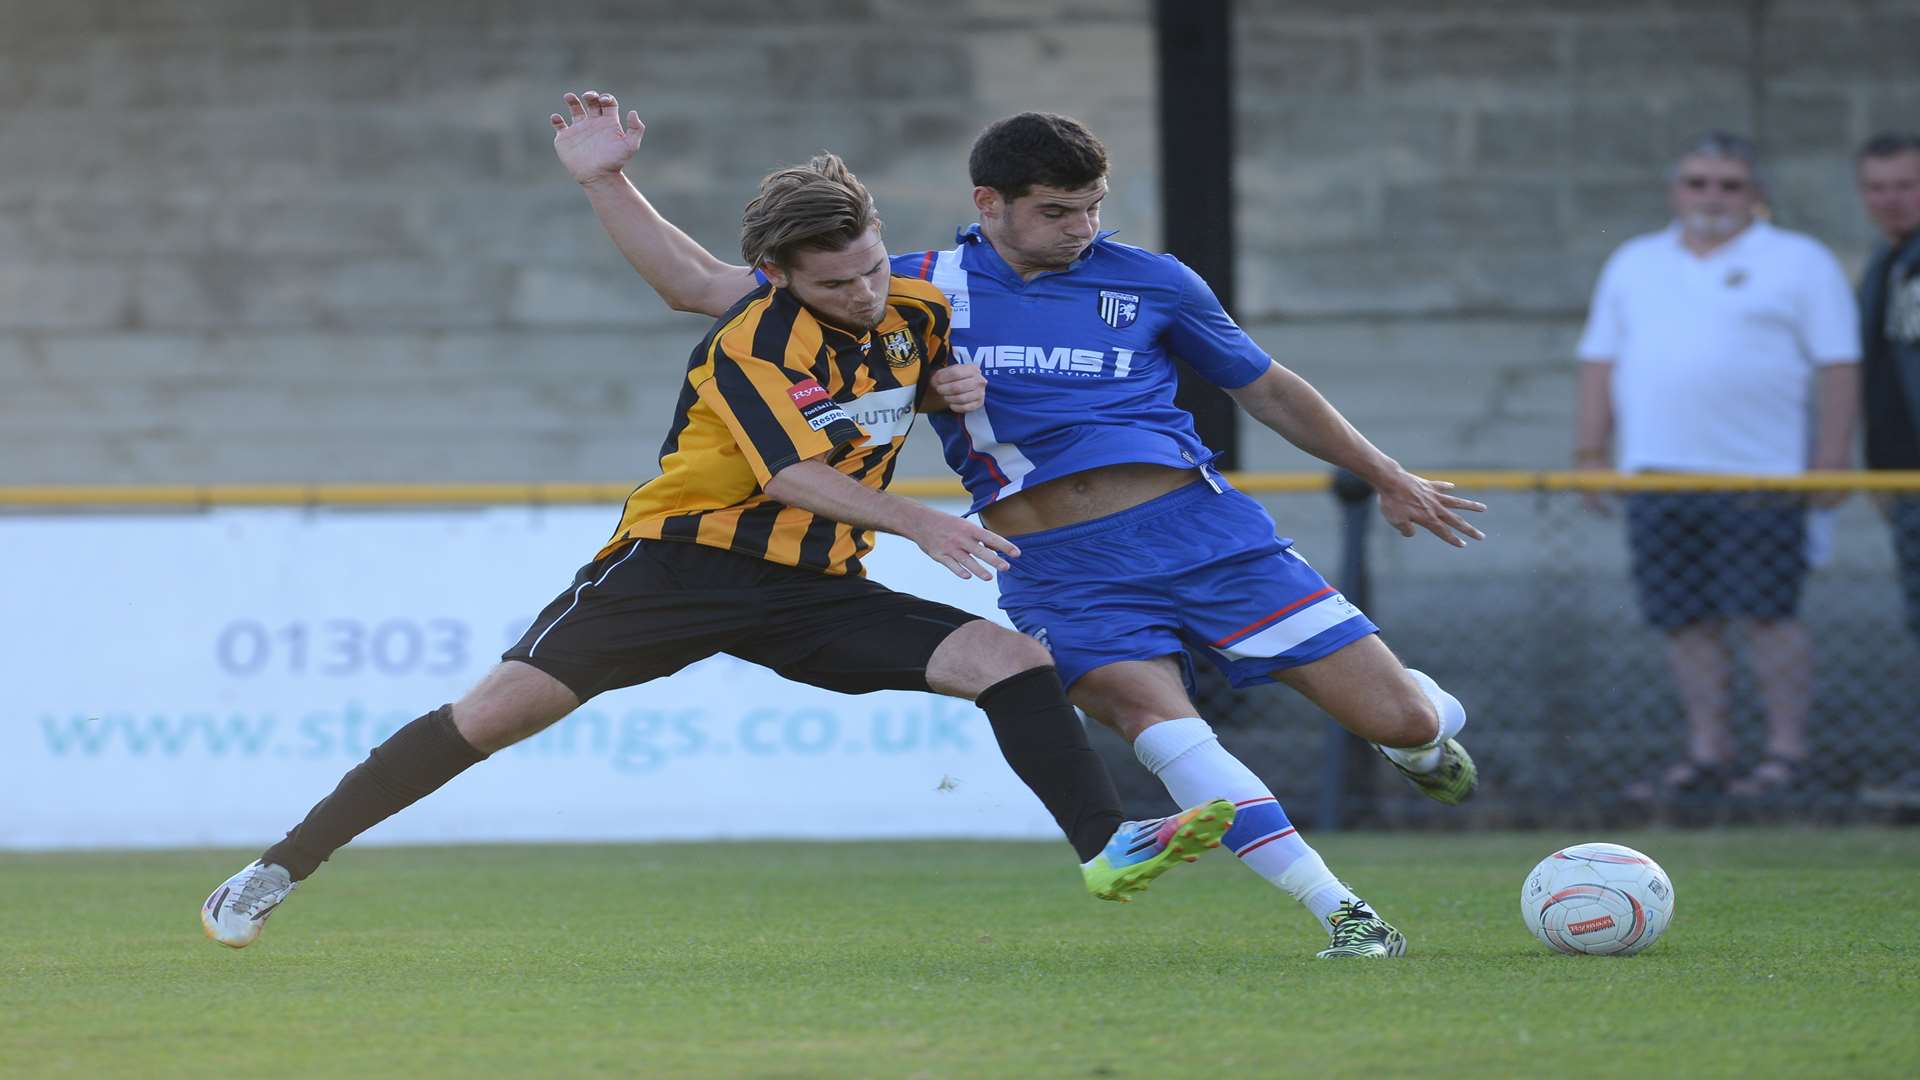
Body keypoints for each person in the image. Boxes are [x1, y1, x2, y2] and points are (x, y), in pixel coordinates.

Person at [200, 148, 1239, 949]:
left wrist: (943, 386)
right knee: (487, 719)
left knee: (1013, 663)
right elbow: (791, 472)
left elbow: (888, 382)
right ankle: (281, 868)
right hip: (677, 570)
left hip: (817, 585)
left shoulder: (917, 308)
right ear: (775, 277)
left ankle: (1105, 848)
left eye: (873, 268)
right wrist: (924, 520)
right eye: (837, 287)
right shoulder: (749, 341)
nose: (866, 294)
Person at [553, 90, 1489, 958]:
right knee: (1163, 728)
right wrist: (607, 177)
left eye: (1091, 208)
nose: (1080, 229)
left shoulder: (1155, 282)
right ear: (989, 201)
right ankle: (1347, 917)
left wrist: (1387, 474)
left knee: (1398, 718)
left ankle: (1426, 727)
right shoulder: (912, 286)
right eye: (1056, 211)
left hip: (1203, 536)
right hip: (1054, 567)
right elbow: (705, 284)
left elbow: (1269, 388)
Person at [1574, 131, 1860, 801]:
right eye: (1698, 182)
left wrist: (1833, 458)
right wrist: (1591, 450)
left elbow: (1840, 365)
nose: (1713, 197)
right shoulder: (1634, 262)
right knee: (1684, 619)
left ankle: (1787, 755)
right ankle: (1710, 755)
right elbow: (1600, 361)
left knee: (1768, 614)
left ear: (1756, 194)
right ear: (1676, 191)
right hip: (1655, 473)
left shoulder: (1801, 261)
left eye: (1729, 184)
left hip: (1762, 475)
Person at [1855, 132, 1920, 640]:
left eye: (1906, 185)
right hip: (1902, 479)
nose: (1890, 199)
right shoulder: (1883, 264)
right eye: (1876, 188)